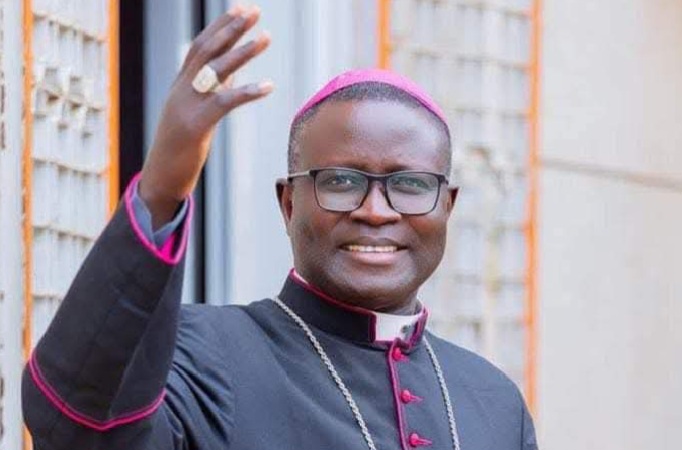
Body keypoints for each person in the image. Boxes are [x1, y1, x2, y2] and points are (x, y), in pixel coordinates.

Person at [22, 5, 538, 450]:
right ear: (289, 203)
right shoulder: (204, 356)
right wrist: (161, 189)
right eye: (340, 182)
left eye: (409, 185)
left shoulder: (491, 399)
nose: (377, 211)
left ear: (446, 206)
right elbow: (78, 426)